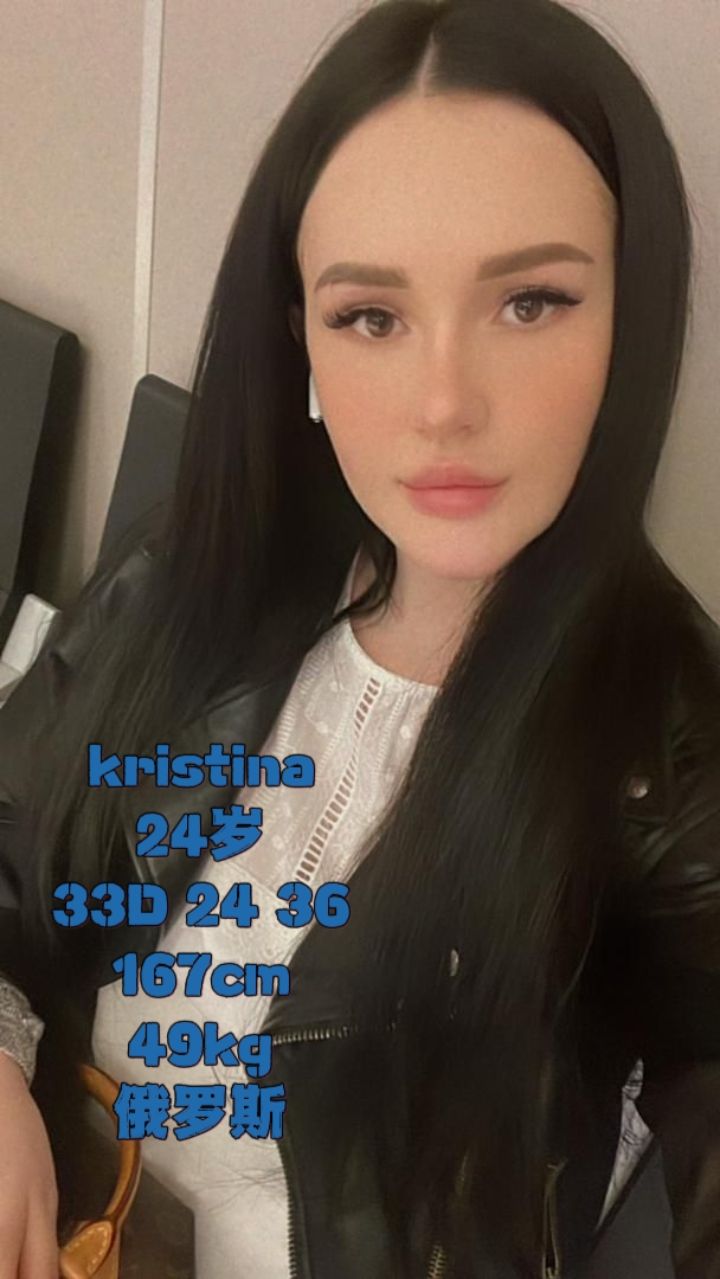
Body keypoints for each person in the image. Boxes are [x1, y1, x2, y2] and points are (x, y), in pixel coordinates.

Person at [1, 0, 719, 1274]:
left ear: (633, 316)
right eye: (372, 317)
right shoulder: (202, 570)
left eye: (531, 301)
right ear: (304, 340)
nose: (444, 404)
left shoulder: (672, 753)